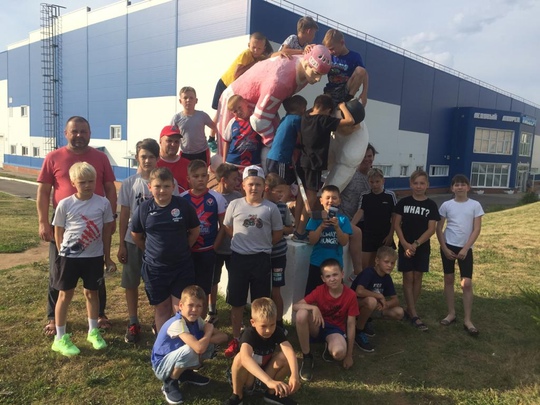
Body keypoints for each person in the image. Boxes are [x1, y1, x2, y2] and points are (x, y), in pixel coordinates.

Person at [37, 116, 117, 336]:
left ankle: (100, 315)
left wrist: (111, 217)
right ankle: (53, 317)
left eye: (84, 131)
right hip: (64, 222)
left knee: (96, 267)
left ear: (90, 133)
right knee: (58, 269)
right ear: (66, 133)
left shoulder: (100, 157)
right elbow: (43, 191)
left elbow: (110, 188)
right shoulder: (53, 157)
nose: (79, 135)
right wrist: (43, 221)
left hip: (96, 219)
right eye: (75, 131)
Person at [117, 138, 180, 344]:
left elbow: (175, 209)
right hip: (133, 240)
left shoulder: (168, 182)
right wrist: (122, 243)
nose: (147, 161)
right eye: (143, 156)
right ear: (137, 157)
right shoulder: (129, 183)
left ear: (157, 158)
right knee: (131, 282)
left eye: (151, 157)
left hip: (159, 243)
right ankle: (133, 321)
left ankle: (158, 320)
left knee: (159, 283)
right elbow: (124, 214)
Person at [50, 162, 115, 356]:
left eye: (91, 181)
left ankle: (93, 332)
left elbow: (107, 233)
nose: (87, 185)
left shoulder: (103, 203)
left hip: (94, 258)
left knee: (92, 294)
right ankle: (60, 338)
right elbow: (58, 231)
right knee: (65, 295)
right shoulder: (65, 204)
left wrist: (107, 257)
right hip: (69, 259)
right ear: (73, 183)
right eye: (82, 182)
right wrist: (62, 253)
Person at [216, 45, 332, 153]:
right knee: (231, 153)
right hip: (235, 102)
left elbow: (315, 52)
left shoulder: (306, 67)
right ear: (306, 65)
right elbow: (258, 121)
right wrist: (275, 145)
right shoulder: (280, 82)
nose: (318, 79)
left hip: (260, 101)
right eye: (316, 73)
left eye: (321, 75)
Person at [222, 165, 283, 358]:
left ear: (264, 186)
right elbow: (228, 227)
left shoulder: (271, 208)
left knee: (261, 302)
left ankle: (259, 340)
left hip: (261, 259)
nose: (254, 188)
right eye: (250, 184)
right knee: (237, 301)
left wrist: (261, 244)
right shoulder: (234, 205)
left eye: (258, 184)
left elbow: (278, 233)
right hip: (238, 259)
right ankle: (236, 338)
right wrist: (242, 243)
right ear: (243, 185)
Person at [131, 167, 200, 333]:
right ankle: (162, 344)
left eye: (166, 186)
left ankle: (182, 345)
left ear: (173, 186)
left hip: (181, 267)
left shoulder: (183, 206)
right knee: (162, 308)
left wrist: (183, 248)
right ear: (150, 187)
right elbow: (136, 235)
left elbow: (194, 231)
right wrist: (152, 251)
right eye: (158, 186)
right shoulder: (144, 209)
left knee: (180, 309)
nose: (162, 190)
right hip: (155, 269)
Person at [293, 94, 355, 243]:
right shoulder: (323, 120)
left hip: (302, 160)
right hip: (314, 163)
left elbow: (316, 108)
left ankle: (296, 228)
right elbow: (350, 121)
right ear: (327, 110)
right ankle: (301, 232)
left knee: (301, 195)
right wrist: (342, 106)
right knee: (311, 196)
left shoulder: (306, 117)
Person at [152, 285, 228, 405]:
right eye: (190, 305)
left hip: (175, 358)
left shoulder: (197, 320)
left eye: (199, 306)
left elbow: (223, 336)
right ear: (181, 306)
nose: (194, 309)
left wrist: (206, 340)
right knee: (193, 349)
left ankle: (185, 374)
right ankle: (170, 382)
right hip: (161, 366)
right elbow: (198, 348)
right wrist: (208, 332)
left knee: (207, 345)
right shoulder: (177, 323)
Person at [222, 297, 300, 405]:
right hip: (247, 379)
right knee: (240, 358)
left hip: (264, 376)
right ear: (253, 322)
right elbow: (245, 359)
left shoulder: (277, 331)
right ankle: (237, 396)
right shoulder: (249, 333)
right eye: (263, 326)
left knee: (285, 356)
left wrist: (295, 375)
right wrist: (269, 381)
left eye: (272, 324)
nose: (268, 330)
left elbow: (289, 351)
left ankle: (272, 393)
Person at [293, 258, 359, 382]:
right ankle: (307, 357)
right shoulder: (320, 290)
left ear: (342, 274)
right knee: (301, 314)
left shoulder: (351, 295)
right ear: (323, 279)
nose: (332, 279)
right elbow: (295, 306)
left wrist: (349, 355)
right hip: (318, 325)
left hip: (335, 330)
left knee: (339, 354)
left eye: (335, 274)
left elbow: (351, 325)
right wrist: (313, 308)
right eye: (328, 276)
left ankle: (328, 345)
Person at [436, 174, 484, 336]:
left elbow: (476, 229)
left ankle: (468, 320)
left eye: (463, 184)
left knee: (466, 283)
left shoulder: (475, 205)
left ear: (468, 187)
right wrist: (444, 248)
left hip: (465, 249)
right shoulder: (446, 205)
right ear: (452, 188)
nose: (460, 187)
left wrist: (465, 248)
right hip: (448, 246)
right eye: (456, 185)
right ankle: (451, 313)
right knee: (449, 279)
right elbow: (439, 228)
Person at [393, 170, 440, 331]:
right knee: (408, 276)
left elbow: (431, 229)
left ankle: (410, 308)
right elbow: (396, 224)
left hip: (422, 246)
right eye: (416, 183)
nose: (419, 186)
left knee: (418, 276)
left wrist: (416, 244)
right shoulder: (403, 203)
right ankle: (413, 313)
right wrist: (405, 244)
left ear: (427, 185)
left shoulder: (431, 205)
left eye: (422, 183)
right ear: (411, 184)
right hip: (405, 245)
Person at [181, 159, 227, 315]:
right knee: (187, 287)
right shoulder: (182, 199)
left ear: (208, 177)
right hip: (188, 251)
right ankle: (187, 319)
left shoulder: (217, 198)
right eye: (195, 176)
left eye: (203, 176)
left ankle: (202, 321)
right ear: (188, 179)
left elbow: (223, 226)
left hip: (208, 251)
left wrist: (215, 246)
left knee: (204, 289)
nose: (200, 179)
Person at [207, 163, 243, 324]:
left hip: (234, 248)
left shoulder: (238, 197)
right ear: (223, 180)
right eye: (234, 179)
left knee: (235, 281)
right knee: (213, 281)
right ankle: (212, 310)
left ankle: (235, 310)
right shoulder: (212, 197)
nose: (237, 182)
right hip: (215, 248)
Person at [351, 246, 404, 353]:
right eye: (386, 262)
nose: (389, 265)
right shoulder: (369, 272)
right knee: (371, 301)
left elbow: (396, 300)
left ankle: (366, 321)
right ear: (377, 261)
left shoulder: (387, 277)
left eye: (392, 263)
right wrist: (379, 296)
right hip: (354, 306)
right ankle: (358, 331)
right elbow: (359, 291)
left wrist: (386, 305)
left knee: (399, 312)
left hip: (372, 306)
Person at [304, 185, 353, 295]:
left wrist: (337, 227)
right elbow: (312, 240)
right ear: (321, 201)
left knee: (335, 295)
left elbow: (344, 242)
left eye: (334, 198)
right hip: (317, 263)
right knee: (313, 294)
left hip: (335, 265)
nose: (331, 201)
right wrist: (321, 227)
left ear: (339, 201)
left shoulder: (343, 220)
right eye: (327, 198)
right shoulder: (315, 218)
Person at [340, 143, 377, 280]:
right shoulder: (349, 174)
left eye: (369, 156)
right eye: (364, 156)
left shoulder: (374, 178)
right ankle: (358, 274)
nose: (367, 159)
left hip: (366, 222)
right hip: (346, 219)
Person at [265, 173, 294, 333]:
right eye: (279, 192)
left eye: (283, 192)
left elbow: (290, 228)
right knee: (263, 290)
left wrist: (279, 228)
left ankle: (279, 323)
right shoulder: (260, 206)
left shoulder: (283, 207)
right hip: (262, 255)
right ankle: (264, 321)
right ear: (268, 190)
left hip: (278, 256)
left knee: (276, 290)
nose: (282, 195)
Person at [350, 168, 397, 269]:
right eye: (372, 182)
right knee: (365, 266)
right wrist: (350, 226)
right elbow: (360, 212)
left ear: (383, 181)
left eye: (377, 181)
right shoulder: (365, 196)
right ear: (368, 182)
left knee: (382, 266)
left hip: (384, 235)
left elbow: (395, 217)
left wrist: (390, 235)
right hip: (368, 235)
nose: (374, 184)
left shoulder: (390, 195)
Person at [266, 95, 307, 187]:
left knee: (272, 185)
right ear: (303, 109)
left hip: (271, 157)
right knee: (281, 184)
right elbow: (301, 137)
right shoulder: (297, 119)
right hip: (281, 158)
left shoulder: (285, 118)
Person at [170, 86, 219, 164]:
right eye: (185, 98)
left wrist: (218, 143)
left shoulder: (202, 115)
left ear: (196, 101)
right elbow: (171, 135)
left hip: (202, 152)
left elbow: (216, 128)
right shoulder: (176, 118)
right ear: (180, 101)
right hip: (185, 153)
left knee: (203, 171)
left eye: (191, 98)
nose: (188, 100)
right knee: (185, 172)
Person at [322, 29, 369, 107]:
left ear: (342, 42)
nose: (330, 52)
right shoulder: (329, 56)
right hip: (331, 90)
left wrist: (364, 92)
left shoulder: (354, 57)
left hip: (345, 88)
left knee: (360, 70)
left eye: (332, 49)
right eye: (328, 49)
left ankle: (348, 99)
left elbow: (364, 73)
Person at [222, 94, 262, 169]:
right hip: (233, 163)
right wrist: (224, 162)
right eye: (235, 111)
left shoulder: (256, 119)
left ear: (246, 103)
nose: (239, 112)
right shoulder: (232, 122)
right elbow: (226, 142)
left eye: (240, 107)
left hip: (253, 164)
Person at [156, 125, 190, 193]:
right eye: (169, 141)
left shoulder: (188, 165)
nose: (173, 144)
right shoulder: (153, 163)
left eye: (176, 141)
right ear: (160, 141)